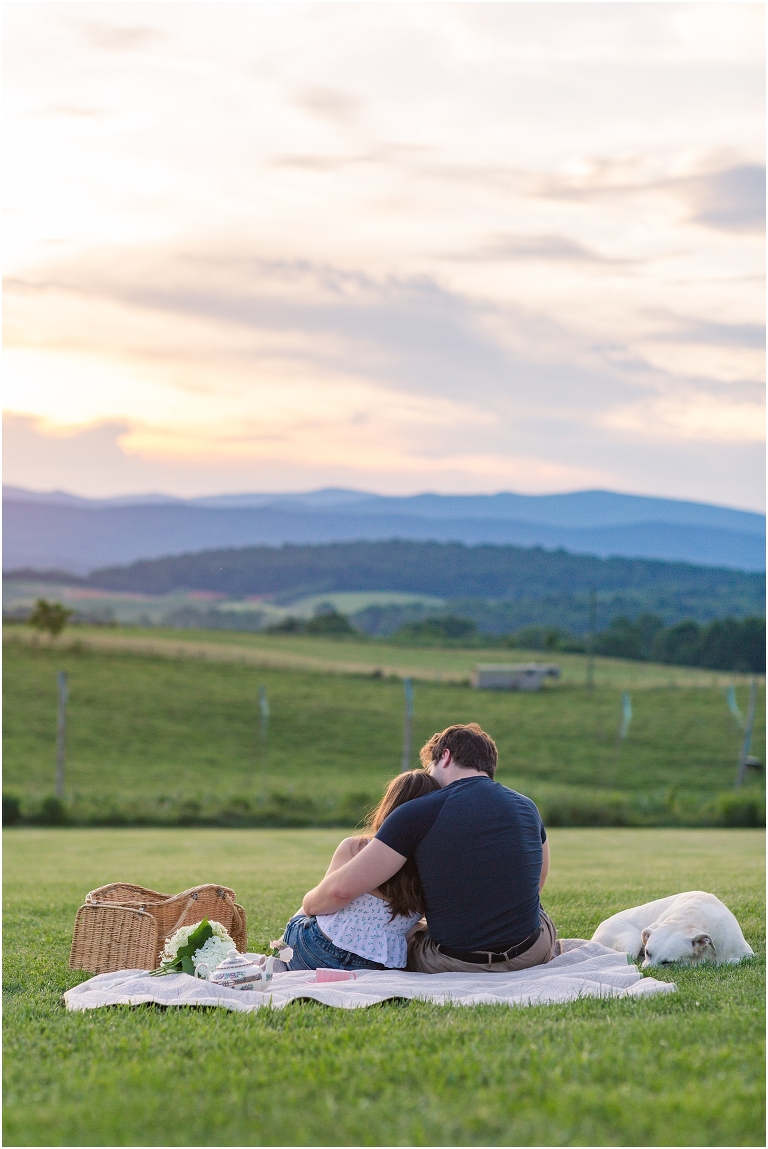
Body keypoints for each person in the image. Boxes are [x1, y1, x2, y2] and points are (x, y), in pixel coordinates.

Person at [302, 723, 556, 974]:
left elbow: (341, 889)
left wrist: (307, 907)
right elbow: (537, 884)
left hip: (456, 963)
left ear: (444, 756)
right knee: (538, 913)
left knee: (405, 936)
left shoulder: (418, 811)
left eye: (428, 767)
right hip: (532, 953)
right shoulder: (527, 806)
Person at [282, 770, 441, 971]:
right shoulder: (434, 867)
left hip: (318, 950)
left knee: (303, 916)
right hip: (378, 964)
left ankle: (279, 957)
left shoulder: (356, 848)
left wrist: (307, 905)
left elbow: (323, 901)